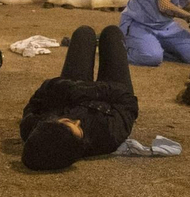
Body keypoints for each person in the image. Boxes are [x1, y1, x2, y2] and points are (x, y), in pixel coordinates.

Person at [20, 25, 140, 170]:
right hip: (110, 95)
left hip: (73, 89)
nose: (78, 121)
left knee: (83, 33)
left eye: (69, 122)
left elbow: (42, 94)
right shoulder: (109, 136)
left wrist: (68, 87)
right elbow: (127, 100)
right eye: (80, 130)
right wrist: (90, 90)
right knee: (112, 34)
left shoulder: (33, 127)